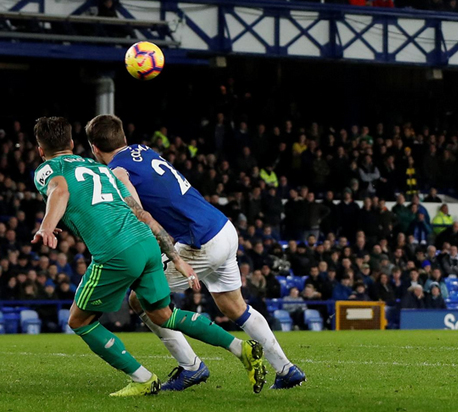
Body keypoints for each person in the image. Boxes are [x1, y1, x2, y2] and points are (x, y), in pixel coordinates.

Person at [31, 117, 265, 397]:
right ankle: (242, 348)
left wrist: (46, 225)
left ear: (40, 151)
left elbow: (60, 189)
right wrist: (176, 259)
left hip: (116, 251)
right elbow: (142, 213)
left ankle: (141, 378)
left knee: (79, 321)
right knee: (163, 314)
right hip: (147, 243)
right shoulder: (100, 169)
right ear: (71, 143)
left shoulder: (48, 168)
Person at [85, 115, 304, 390]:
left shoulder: (117, 172)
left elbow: (142, 215)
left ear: (94, 148)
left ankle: (192, 367)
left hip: (200, 241)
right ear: (123, 139)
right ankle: (286, 370)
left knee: (141, 300)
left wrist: (170, 257)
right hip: (222, 227)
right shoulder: (143, 150)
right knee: (234, 306)